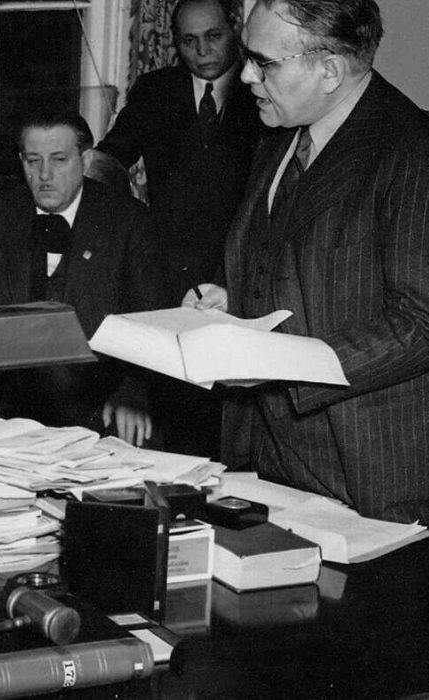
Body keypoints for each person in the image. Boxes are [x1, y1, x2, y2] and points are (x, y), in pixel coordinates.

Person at [184, 0, 429, 529]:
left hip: (378, 465)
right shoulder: (283, 129)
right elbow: (302, 265)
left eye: (264, 62)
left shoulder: (417, 156)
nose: (247, 75)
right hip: (280, 455)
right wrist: (233, 301)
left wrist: (280, 363)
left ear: (329, 70)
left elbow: (423, 327)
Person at [0, 112, 158, 442]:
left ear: (86, 159)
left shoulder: (129, 222)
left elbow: (153, 322)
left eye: (59, 160)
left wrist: (133, 394)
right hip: (5, 402)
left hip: (95, 402)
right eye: (33, 160)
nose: (44, 175)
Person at [94, 0, 262, 457]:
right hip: (167, 267)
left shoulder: (262, 92)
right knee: (175, 422)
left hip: (237, 270)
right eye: (189, 40)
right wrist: (121, 209)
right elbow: (109, 158)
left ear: (236, 29)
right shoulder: (156, 90)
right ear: (175, 42)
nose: (202, 50)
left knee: (227, 419)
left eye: (213, 36)